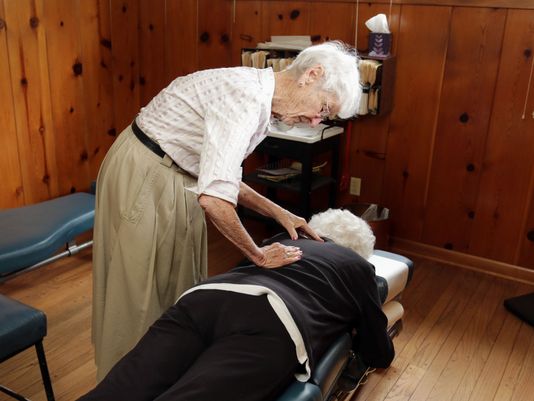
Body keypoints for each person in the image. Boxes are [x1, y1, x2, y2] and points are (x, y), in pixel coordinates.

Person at [92, 40, 362, 380]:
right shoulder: (245, 98)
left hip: (178, 174)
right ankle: (122, 384)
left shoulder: (260, 101)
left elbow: (223, 175)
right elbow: (215, 198)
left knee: (178, 291)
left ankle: (163, 378)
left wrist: (280, 212)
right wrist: (258, 255)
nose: (314, 121)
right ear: (312, 75)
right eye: (323, 109)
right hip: (148, 172)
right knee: (138, 296)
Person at [79, 210, 393, 401]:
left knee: (126, 387)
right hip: (273, 322)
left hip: (205, 297)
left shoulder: (282, 240)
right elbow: (379, 351)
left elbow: (243, 273)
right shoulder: (358, 267)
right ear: (360, 252)